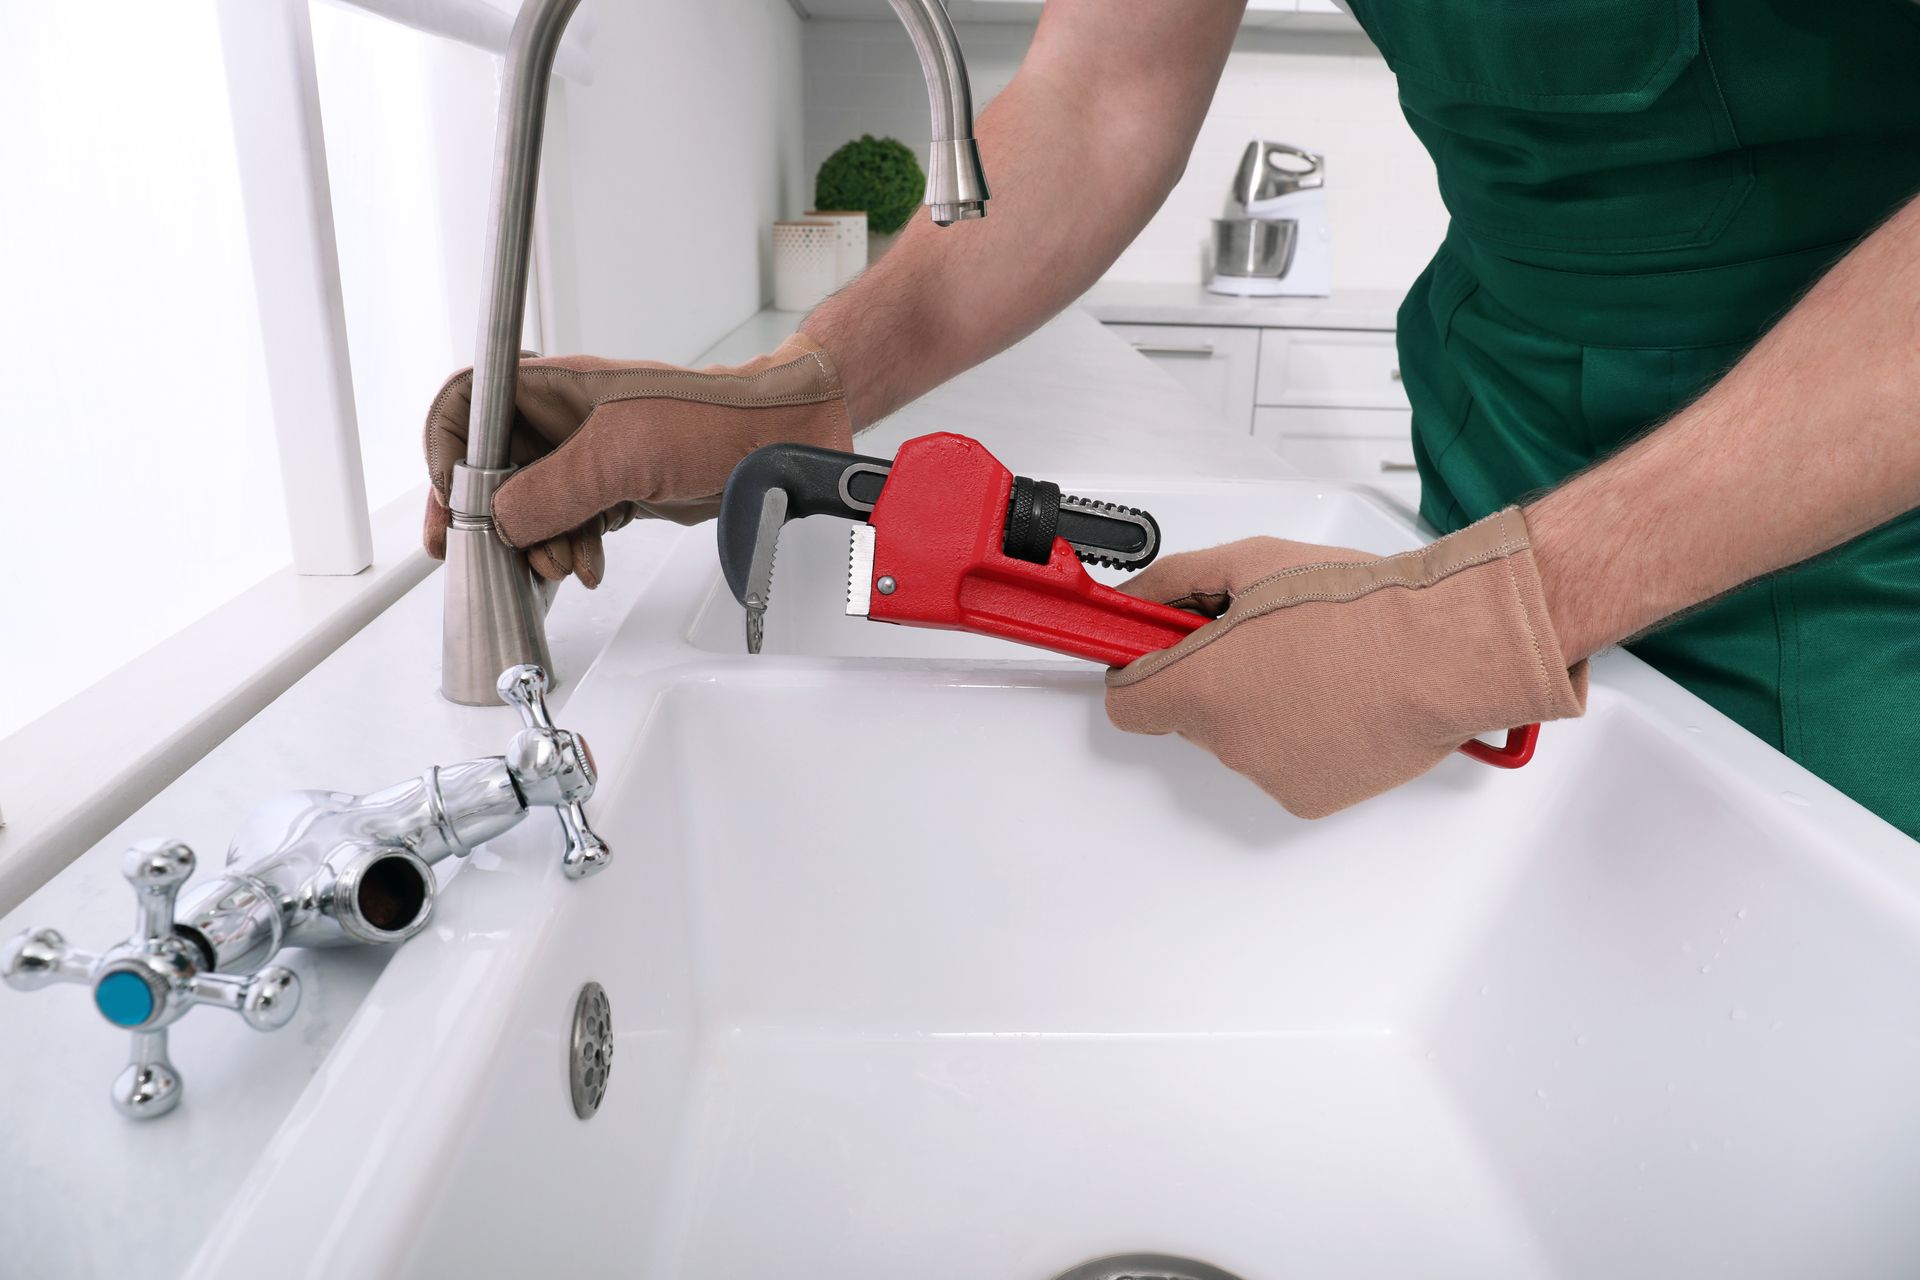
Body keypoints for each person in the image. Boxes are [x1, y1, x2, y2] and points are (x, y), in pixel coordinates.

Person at [422, 1, 1920, 835]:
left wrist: (1486, 618)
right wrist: (802, 386)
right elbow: (1101, 93)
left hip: (1869, 507)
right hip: (1505, 431)